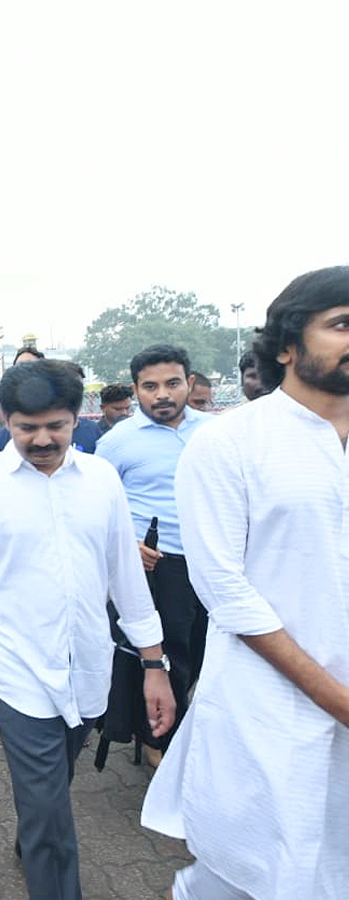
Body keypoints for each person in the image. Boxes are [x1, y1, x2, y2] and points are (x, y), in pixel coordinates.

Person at [143, 266, 349, 900]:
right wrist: (336, 697)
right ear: (286, 345)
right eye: (341, 324)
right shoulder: (232, 442)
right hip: (269, 702)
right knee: (250, 867)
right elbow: (226, 591)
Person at [0, 359, 174, 900]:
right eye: (27, 428)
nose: (42, 439)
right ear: (7, 420)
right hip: (20, 674)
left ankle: (33, 834)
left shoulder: (102, 481)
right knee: (51, 814)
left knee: (50, 788)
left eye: (56, 426)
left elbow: (127, 580)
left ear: (76, 419)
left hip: (90, 669)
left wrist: (154, 666)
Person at [96, 344, 211, 764]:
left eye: (172, 383)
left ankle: (172, 732)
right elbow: (97, 505)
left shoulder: (213, 433)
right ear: (135, 390)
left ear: (190, 383)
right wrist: (127, 544)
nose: (162, 394)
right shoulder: (117, 442)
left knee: (202, 656)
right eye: (150, 386)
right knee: (168, 659)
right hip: (159, 567)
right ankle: (157, 743)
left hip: (214, 562)